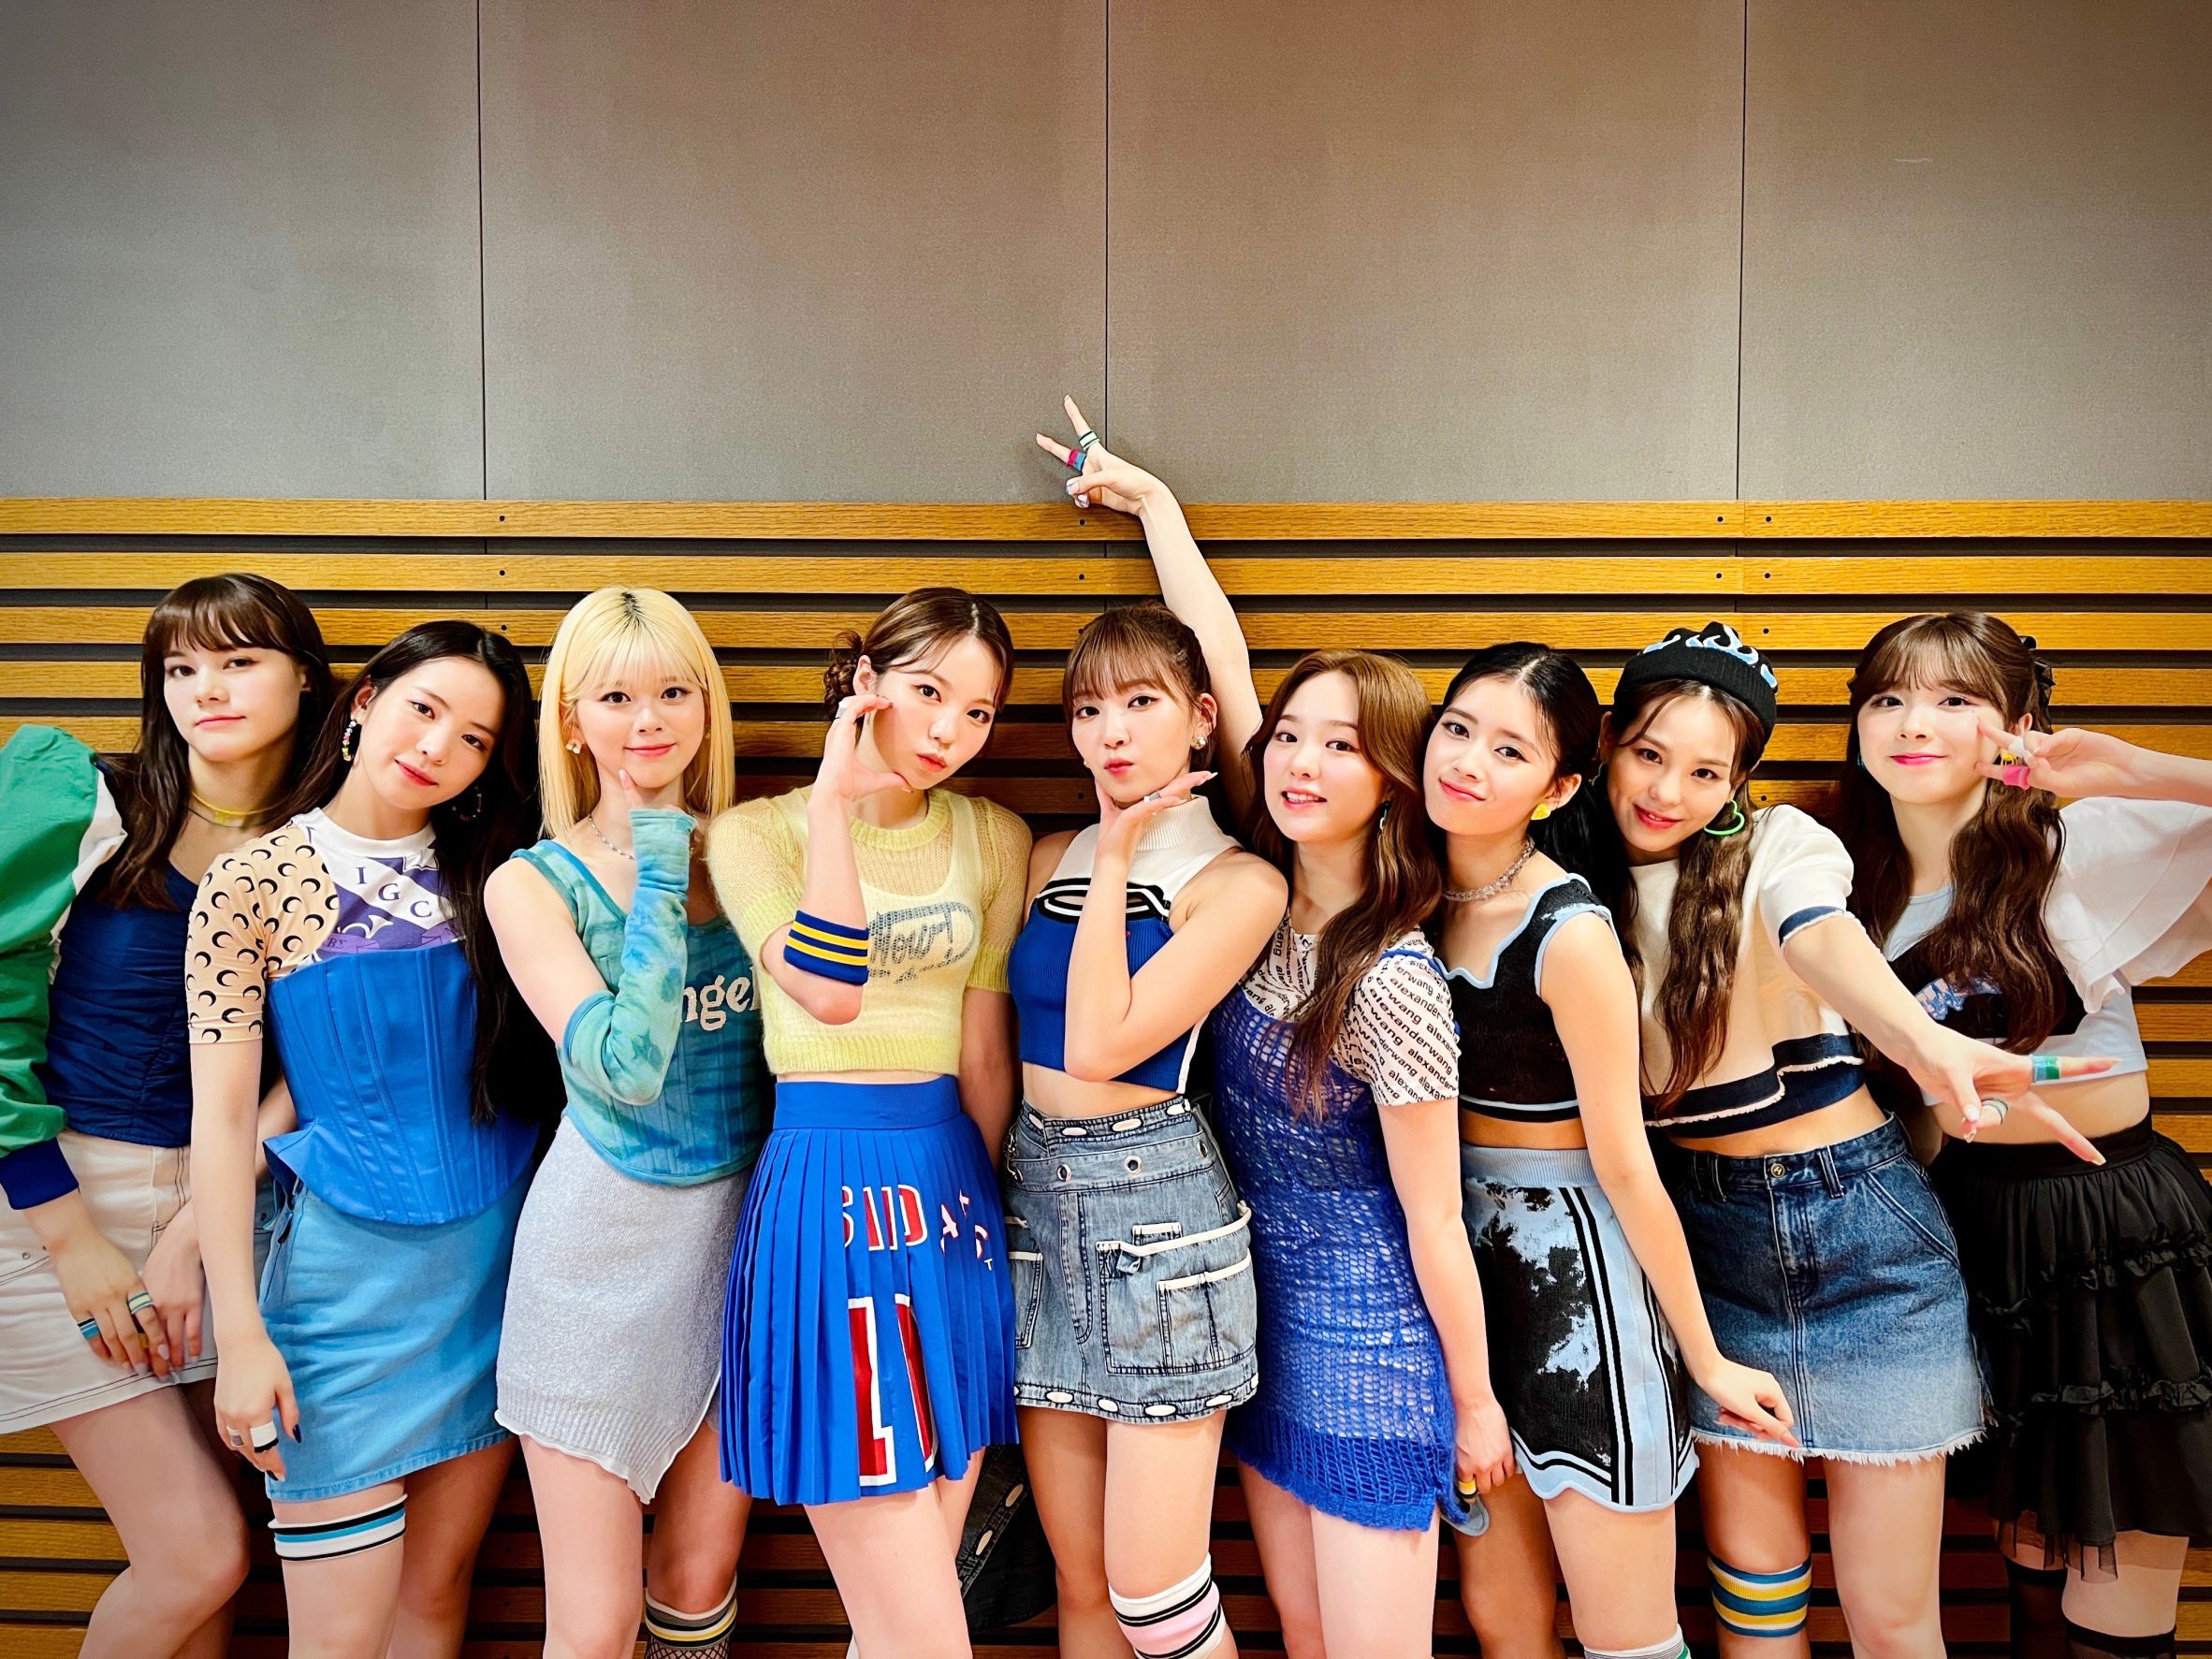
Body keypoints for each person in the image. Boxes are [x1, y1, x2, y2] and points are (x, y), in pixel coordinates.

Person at [1044, 402, 1508, 1659]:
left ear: (1393, 779)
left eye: (1339, 746)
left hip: (1370, 1339)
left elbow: (1433, 1216)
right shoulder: (1263, 867)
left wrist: (1473, 1403)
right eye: (1288, 735)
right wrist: (1154, 507)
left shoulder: (1393, 980)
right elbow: (1220, 654)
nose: (1298, 759)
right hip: (1254, 1324)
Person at [1565, 620, 2108, 1659]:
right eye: (1647, 754)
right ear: (1606, 745)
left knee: (1890, 1617)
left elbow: (1814, 930)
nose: (1667, 792)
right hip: (1703, 1246)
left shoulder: (1784, 843)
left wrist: (1922, 1040)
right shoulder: (1569, 884)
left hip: (1866, 1234)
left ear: (1739, 781)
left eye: (1705, 772)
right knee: (1756, 1602)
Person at [1840, 612, 2212, 1659]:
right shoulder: (1842, 886)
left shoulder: (2072, 850)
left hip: (2109, 1232)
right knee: (2032, 1580)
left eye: (1955, 699)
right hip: (1967, 1231)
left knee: (2115, 1601)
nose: (1914, 723)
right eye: (1888, 698)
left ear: (2015, 724)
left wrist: (2134, 769)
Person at [190, 620, 554, 1659]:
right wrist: (240, 1335)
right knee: (337, 1640)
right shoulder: (249, 882)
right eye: (422, 709)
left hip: (495, 1276)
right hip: (338, 1295)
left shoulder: (507, 873)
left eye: (474, 738)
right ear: (364, 702)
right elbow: (224, 1119)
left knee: (433, 1600)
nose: (437, 746)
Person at [1424, 642, 1794, 1659]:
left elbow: (1627, 1163)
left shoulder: (1569, 929)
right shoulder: (1411, 888)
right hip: (1459, 1279)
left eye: (1510, 749)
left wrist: (1705, 1356)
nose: (1469, 761)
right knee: (1503, 1623)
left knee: (1625, 1636)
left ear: (1559, 784)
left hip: (1578, 1289)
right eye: (1457, 729)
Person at [0, 575, 329, 1659]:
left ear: (305, 678)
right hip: (54, 1208)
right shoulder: (84, 801)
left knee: (206, 1576)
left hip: (229, 1214)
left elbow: (331, 1056)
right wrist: (71, 1240)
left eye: (238, 662)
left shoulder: (328, 841)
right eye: (181, 669)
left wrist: (197, 1229)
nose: (206, 690)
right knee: (199, 1554)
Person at [705, 588, 1029, 1659]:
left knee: (906, 1617)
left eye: (977, 712)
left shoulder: (993, 836)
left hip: (950, 1196)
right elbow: (829, 991)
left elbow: (984, 1053)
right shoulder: (755, 835)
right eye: (928, 692)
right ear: (865, 682)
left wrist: (989, 1212)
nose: (949, 731)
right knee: (923, 1628)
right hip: (825, 1185)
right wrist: (832, 804)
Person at [1001, 598, 1286, 1659]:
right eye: (1088, 709)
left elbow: (1103, 1044)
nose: (1110, 732)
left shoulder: (1241, 883)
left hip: (1158, 1220)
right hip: (1033, 1203)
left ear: (1202, 718)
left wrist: (1117, 850)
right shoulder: (1045, 856)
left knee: (1155, 1597)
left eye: (1140, 702)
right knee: (1079, 1585)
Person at [488, 589, 766, 1659]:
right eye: (614, 697)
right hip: (596, 1255)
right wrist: (659, 858)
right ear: (571, 721)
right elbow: (626, 1069)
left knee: (696, 1584)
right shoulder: (531, 885)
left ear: (707, 708)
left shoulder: (759, 853)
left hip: (737, 1244)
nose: (648, 720)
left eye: (673, 692)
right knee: (596, 1624)